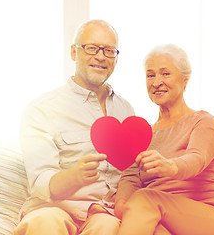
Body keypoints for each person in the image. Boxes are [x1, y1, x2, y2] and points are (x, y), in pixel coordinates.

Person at [14, 20, 134, 235]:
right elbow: (40, 182)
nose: (100, 57)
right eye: (91, 48)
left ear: (116, 58)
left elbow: (130, 175)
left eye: (108, 51)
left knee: (108, 228)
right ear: (73, 52)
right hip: (55, 209)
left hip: (104, 215)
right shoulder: (42, 109)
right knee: (44, 222)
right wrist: (75, 176)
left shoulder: (126, 110)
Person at [114, 44, 214, 235]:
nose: (156, 82)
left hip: (210, 216)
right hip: (158, 214)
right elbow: (130, 176)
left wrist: (170, 166)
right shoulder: (143, 133)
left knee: (144, 199)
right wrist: (121, 203)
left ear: (185, 80)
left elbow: (197, 158)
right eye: (150, 75)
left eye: (165, 74)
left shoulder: (203, 121)